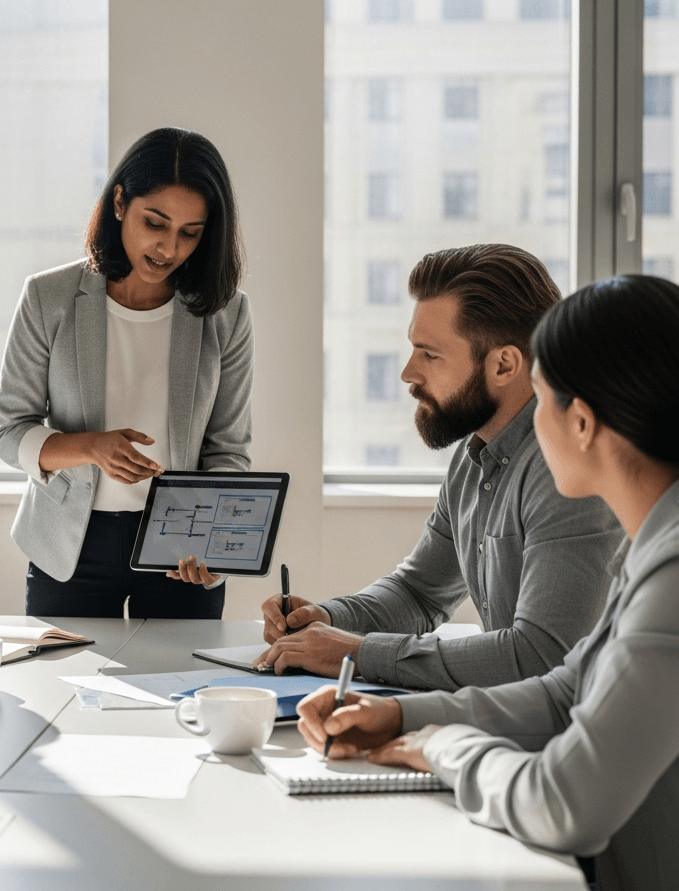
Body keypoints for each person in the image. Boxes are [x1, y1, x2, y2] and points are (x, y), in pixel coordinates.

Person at [297, 274, 679, 890]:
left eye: (542, 399)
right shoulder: (660, 542)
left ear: (583, 424)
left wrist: (442, 747)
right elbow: (565, 693)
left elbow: (565, 804)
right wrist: (398, 717)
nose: (531, 427)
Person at [259, 244, 622, 689]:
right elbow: (419, 592)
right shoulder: (474, 454)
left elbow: (542, 656)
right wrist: (328, 618)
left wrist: (354, 652)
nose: (407, 373)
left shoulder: (567, 470)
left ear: (504, 364)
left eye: (430, 355)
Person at [0, 127, 252, 618]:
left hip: (182, 548)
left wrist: (216, 543)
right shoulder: (48, 297)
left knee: (181, 691)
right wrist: (91, 447)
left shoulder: (227, 314)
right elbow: (10, 432)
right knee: (60, 689)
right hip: (69, 546)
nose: (169, 248)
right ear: (119, 203)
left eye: (190, 233)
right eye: (155, 223)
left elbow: (228, 450)